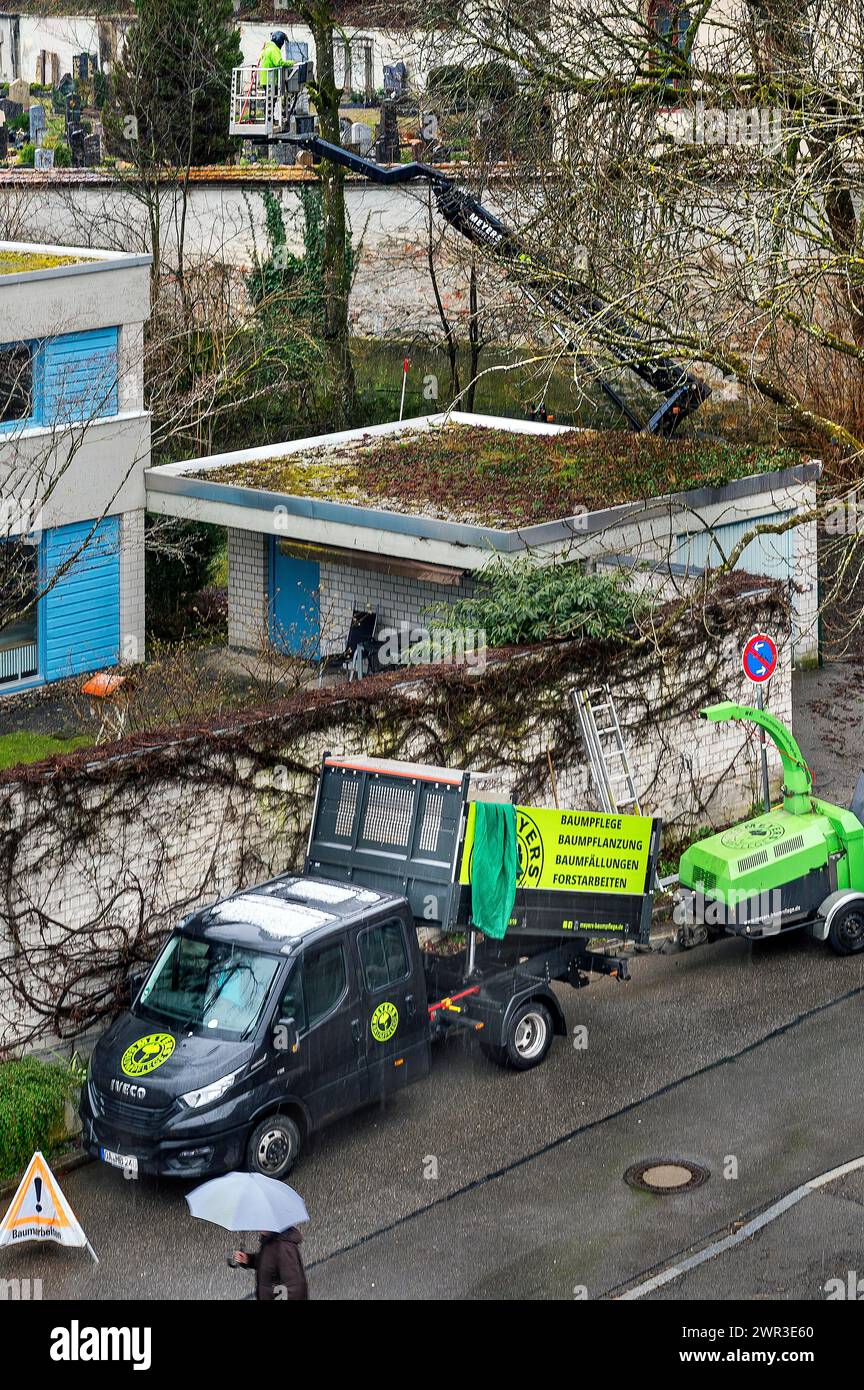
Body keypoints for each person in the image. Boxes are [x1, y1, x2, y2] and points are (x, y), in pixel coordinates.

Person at [233, 1227, 309, 1301]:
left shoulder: (284, 1247)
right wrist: (248, 1259)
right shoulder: (270, 1241)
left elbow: (293, 1286)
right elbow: (269, 1263)